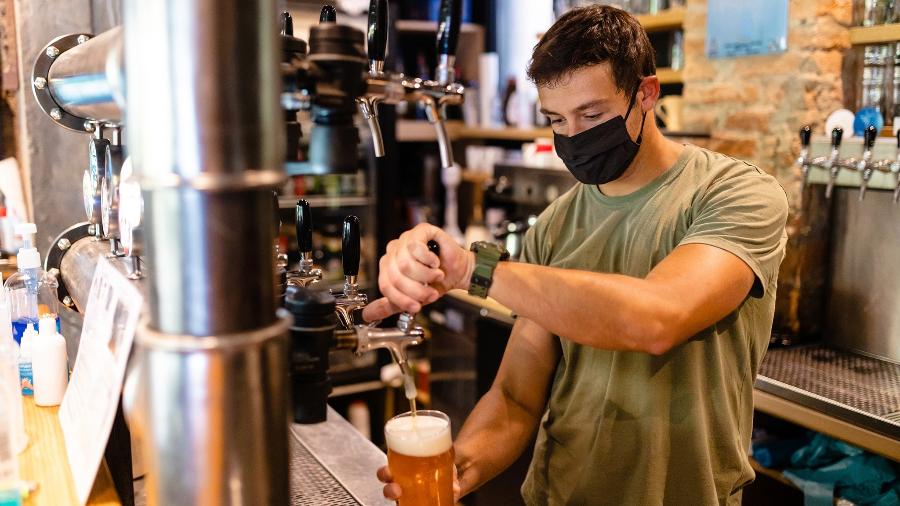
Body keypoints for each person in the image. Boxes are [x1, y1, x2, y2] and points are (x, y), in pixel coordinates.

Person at [365, 5, 789, 505]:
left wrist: (472, 269)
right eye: (556, 119)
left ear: (646, 94)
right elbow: (516, 397)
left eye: (592, 115)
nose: (574, 135)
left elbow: (658, 317)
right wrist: (461, 468)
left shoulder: (735, 194)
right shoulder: (556, 225)